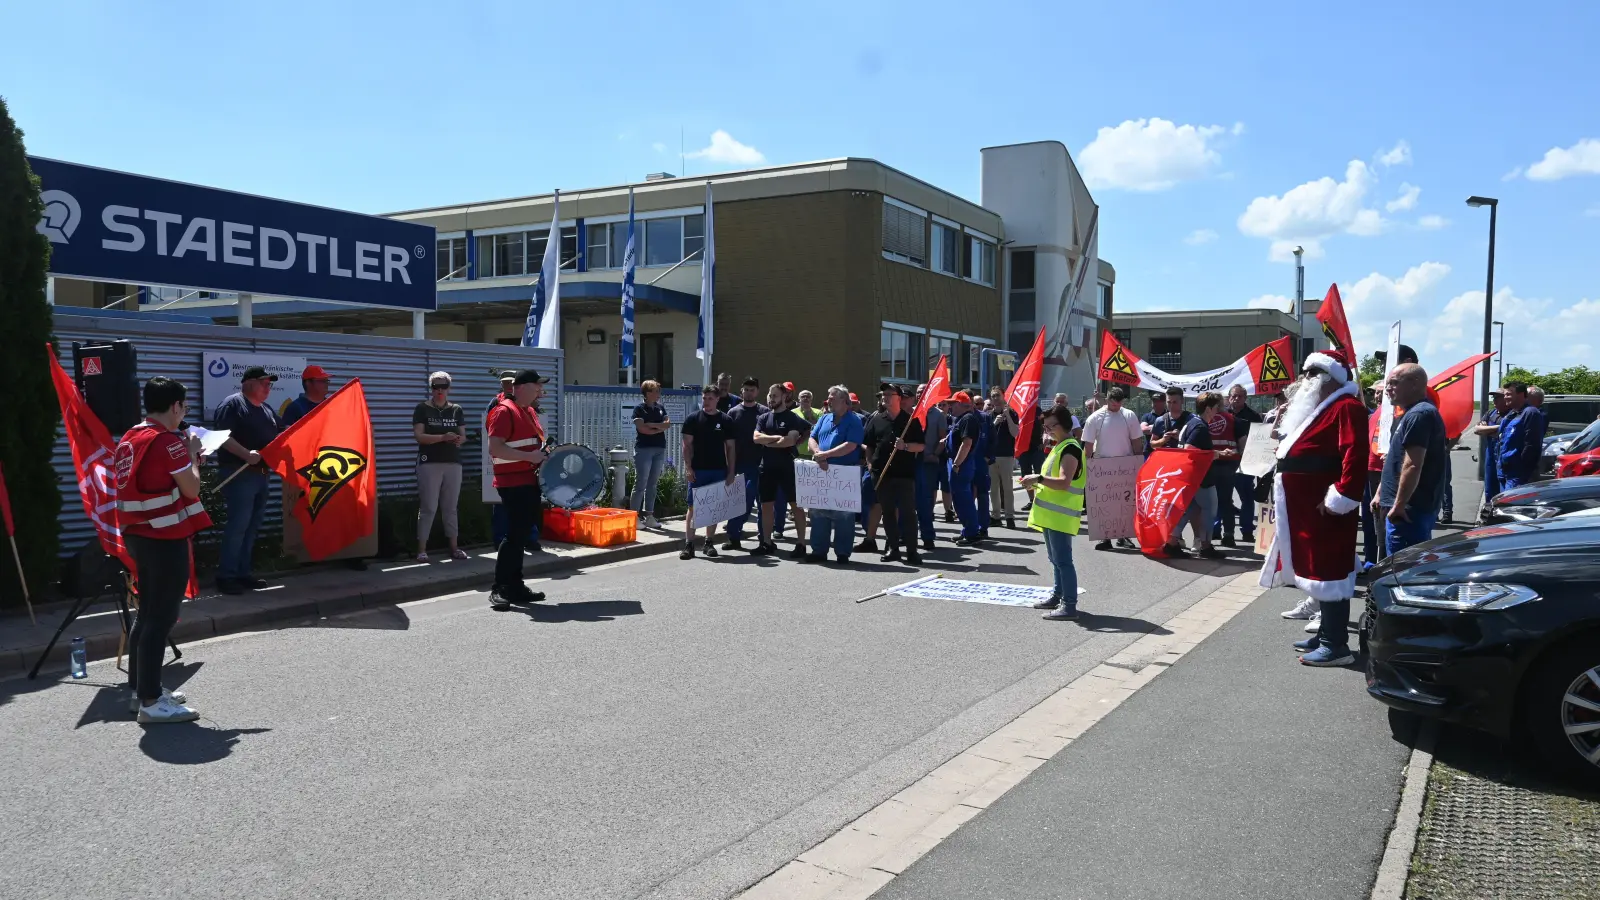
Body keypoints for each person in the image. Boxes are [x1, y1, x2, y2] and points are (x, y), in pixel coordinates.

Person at [1262, 351, 1369, 667]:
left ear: (1328, 378)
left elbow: (1355, 453)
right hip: (1308, 508)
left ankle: (1336, 645)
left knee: (1331, 570)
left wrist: (1342, 496)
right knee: (1318, 567)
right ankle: (1326, 632)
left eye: (1311, 374)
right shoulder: (1321, 410)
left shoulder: (1347, 407)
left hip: (1326, 508)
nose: (1304, 381)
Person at [115, 377, 210, 723]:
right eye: (183, 407)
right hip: (163, 536)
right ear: (175, 407)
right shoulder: (168, 442)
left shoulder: (130, 437)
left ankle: (140, 690)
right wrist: (192, 454)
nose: (184, 412)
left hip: (139, 535)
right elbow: (192, 489)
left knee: (147, 613)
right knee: (161, 616)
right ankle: (152, 703)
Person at [213, 365, 281, 595]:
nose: (268, 387)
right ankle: (227, 575)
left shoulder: (267, 410)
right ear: (248, 382)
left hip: (261, 475)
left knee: (251, 527)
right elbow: (222, 437)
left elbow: (283, 433)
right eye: (264, 383)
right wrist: (246, 455)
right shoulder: (233, 405)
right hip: (239, 473)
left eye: (270, 384)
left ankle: (242, 573)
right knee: (238, 526)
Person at [486, 369, 550, 610]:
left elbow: (531, 446)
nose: (540, 391)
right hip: (512, 483)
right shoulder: (503, 411)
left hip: (528, 481)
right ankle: (500, 588)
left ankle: (515, 586)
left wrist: (542, 456)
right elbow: (496, 449)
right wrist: (531, 456)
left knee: (520, 535)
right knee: (514, 536)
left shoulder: (528, 411)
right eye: (537, 387)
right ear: (520, 387)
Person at [1022, 404, 1086, 621]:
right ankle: (1058, 596)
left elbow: (1064, 482)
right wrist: (1037, 483)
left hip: (1061, 515)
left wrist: (1037, 479)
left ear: (1065, 424)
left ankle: (1069, 605)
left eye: (1052, 425)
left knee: (1063, 560)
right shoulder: (1061, 446)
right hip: (1053, 515)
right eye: (1045, 426)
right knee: (1056, 559)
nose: (1048, 430)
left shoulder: (1070, 448)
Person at [1374, 364, 1445, 555]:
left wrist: (1398, 505)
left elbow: (1413, 464)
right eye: (1388, 383)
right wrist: (1381, 492)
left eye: (1394, 383)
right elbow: (1395, 459)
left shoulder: (1419, 414)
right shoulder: (1411, 413)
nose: (1388, 388)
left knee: (1402, 569)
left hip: (1408, 512)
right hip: (1404, 508)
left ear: (1414, 384)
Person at [863, 383, 926, 564]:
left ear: (899, 398)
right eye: (884, 394)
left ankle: (912, 551)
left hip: (904, 475)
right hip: (882, 474)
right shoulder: (876, 419)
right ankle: (893, 549)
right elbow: (869, 446)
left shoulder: (910, 420)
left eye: (890, 394)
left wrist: (905, 446)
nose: (885, 397)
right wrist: (869, 465)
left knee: (907, 513)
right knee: (888, 513)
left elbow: (920, 446)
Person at [1081, 386, 1145, 550]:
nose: (1115, 406)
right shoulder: (1095, 418)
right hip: (1102, 468)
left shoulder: (1129, 415)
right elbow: (1088, 445)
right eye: (1112, 403)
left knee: (1125, 504)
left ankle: (1124, 535)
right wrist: (1086, 464)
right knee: (1103, 505)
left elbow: (1137, 441)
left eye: (1118, 403)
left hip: (1125, 467)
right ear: (1107, 399)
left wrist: (1138, 462)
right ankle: (1104, 537)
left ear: (1122, 401)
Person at [806, 386, 865, 563]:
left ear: (844, 402)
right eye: (829, 397)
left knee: (844, 515)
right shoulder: (824, 418)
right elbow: (812, 437)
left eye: (833, 398)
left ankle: (842, 552)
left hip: (844, 474)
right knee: (818, 512)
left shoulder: (854, 420)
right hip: (821, 470)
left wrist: (826, 455)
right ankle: (819, 551)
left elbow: (851, 445)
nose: (828, 400)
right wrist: (818, 453)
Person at [413, 371, 467, 562]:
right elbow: (419, 436)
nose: (439, 390)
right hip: (430, 462)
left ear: (449, 388)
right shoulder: (422, 409)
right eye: (435, 387)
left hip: (453, 462)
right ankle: (421, 549)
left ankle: (454, 547)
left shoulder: (456, 409)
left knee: (451, 507)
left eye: (443, 386)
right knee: (429, 506)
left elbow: (463, 435)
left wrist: (459, 439)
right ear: (431, 389)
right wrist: (442, 438)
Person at [752, 383, 808, 558]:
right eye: (769, 395)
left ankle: (801, 543)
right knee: (766, 506)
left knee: (796, 505)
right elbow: (755, 438)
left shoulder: (791, 417)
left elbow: (791, 440)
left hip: (787, 467)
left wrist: (769, 440)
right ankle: (767, 542)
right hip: (766, 467)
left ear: (784, 397)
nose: (771, 398)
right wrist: (777, 438)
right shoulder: (763, 418)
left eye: (775, 395)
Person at [681, 386, 736, 559]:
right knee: (693, 508)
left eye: (710, 398)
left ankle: (709, 542)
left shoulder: (726, 420)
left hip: (718, 470)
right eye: (704, 398)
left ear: (717, 399)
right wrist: (688, 468)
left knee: (713, 508)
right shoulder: (693, 419)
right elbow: (686, 446)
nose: (706, 401)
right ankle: (689, 545)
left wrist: (731, 472)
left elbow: (731, 448)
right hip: (698, 470)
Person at [721, 377, 770, 550]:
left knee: (763, 504)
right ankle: (734, 537)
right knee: (739, 502)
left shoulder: (764, 412)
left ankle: (765, 540)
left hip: (761, 465)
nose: (749, 393)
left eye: (752, 390)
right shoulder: (733, 413)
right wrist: (729, 466)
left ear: (757, 392)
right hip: (739, 465)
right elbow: (726, 441)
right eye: (746, 389)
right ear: (741, 391)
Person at [1220, 384, 1263, 547]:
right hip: (1225, 463)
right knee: (1223, 498)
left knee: (1247, 497)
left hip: (1246, 464)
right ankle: (1218, 531)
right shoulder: (1222, 415)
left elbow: (1261, 441)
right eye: (1233, 396)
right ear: (1229, 397)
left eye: (1239, 396)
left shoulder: (1254, 416)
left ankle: (1247, 531)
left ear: (1245, 398)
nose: (1236, 399)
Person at [631, 380, 671, 529]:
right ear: (647, 393)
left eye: (659, 391)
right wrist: (658, 427)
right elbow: (642, 429)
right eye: (655, 391)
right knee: (641, 482)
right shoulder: (639, 409)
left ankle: (649, 516)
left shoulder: (661, 408)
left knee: (652, 484)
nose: (658, 394)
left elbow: (667, 424)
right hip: (644, 449)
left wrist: (653, 425)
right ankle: (634, 517)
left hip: (659, 448)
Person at [945, 391, 984, 545]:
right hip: (959, 464)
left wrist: (956, 464)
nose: (950, 406)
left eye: (952, 403)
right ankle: (967, 530)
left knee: (964, 500)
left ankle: (972, 533)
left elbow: (966, 443)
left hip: (962, 465)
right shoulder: (961, 419)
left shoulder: (968, 419)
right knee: (959, 500)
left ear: (961, 404)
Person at [914, 385, 949, 551]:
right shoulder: (911, 412)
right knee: (907, 501)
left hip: (928, 462)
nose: (920, 394)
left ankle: (927, 536)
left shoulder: (938, 415)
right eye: (918, 392)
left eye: (924, 392)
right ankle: (904, 535)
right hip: (911, 462)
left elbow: (943, 438)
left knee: (925, 501)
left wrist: (934, 454)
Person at [1496, 381, 1539, 489]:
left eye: (1508, 394)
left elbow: (1531, 445)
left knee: (1512, 504)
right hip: (1504, 471)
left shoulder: (1530, 413)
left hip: (1517, 475)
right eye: (1505, 395)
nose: (1505, 398)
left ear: (1520, 394)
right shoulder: (1512, 414)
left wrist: (1522, 470)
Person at [987, 387, 1020, 529]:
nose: (995, 398)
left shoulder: (1012, 413)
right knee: (993, 488)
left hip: (1006, 455)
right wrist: (994, 424)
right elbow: (986, 436)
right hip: (992, 456)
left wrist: (1007, 417)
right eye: (993, 396)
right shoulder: (988, 415)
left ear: (1003, 396)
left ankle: (1009, 516)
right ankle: (995, 516)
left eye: (997, 395)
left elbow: (1015, 433)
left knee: (1007, 487)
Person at [1472, 390, 1510, 505]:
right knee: (1489, 484)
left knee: (1503, 486)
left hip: (1502, 452)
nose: (1494, 400)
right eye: (1494, 398)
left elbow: (1506, 432)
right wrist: (1497, 428)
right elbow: (1477, 430)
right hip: (1490, 452)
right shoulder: (1491, 413)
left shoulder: (1510, 414)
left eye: (1497, 398)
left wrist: (1488, 429)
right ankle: (1489, 512)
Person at [1140, 391, 1168, 458]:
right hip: (1149, 452)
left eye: (1158, 401)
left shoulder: (1169, 415)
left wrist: (1150, 427)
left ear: (1164, 402)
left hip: (1166, 451)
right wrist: (1162, 428)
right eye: (1154, 401)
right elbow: (1143, 429)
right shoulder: (1146, 416)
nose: (1155, 403)